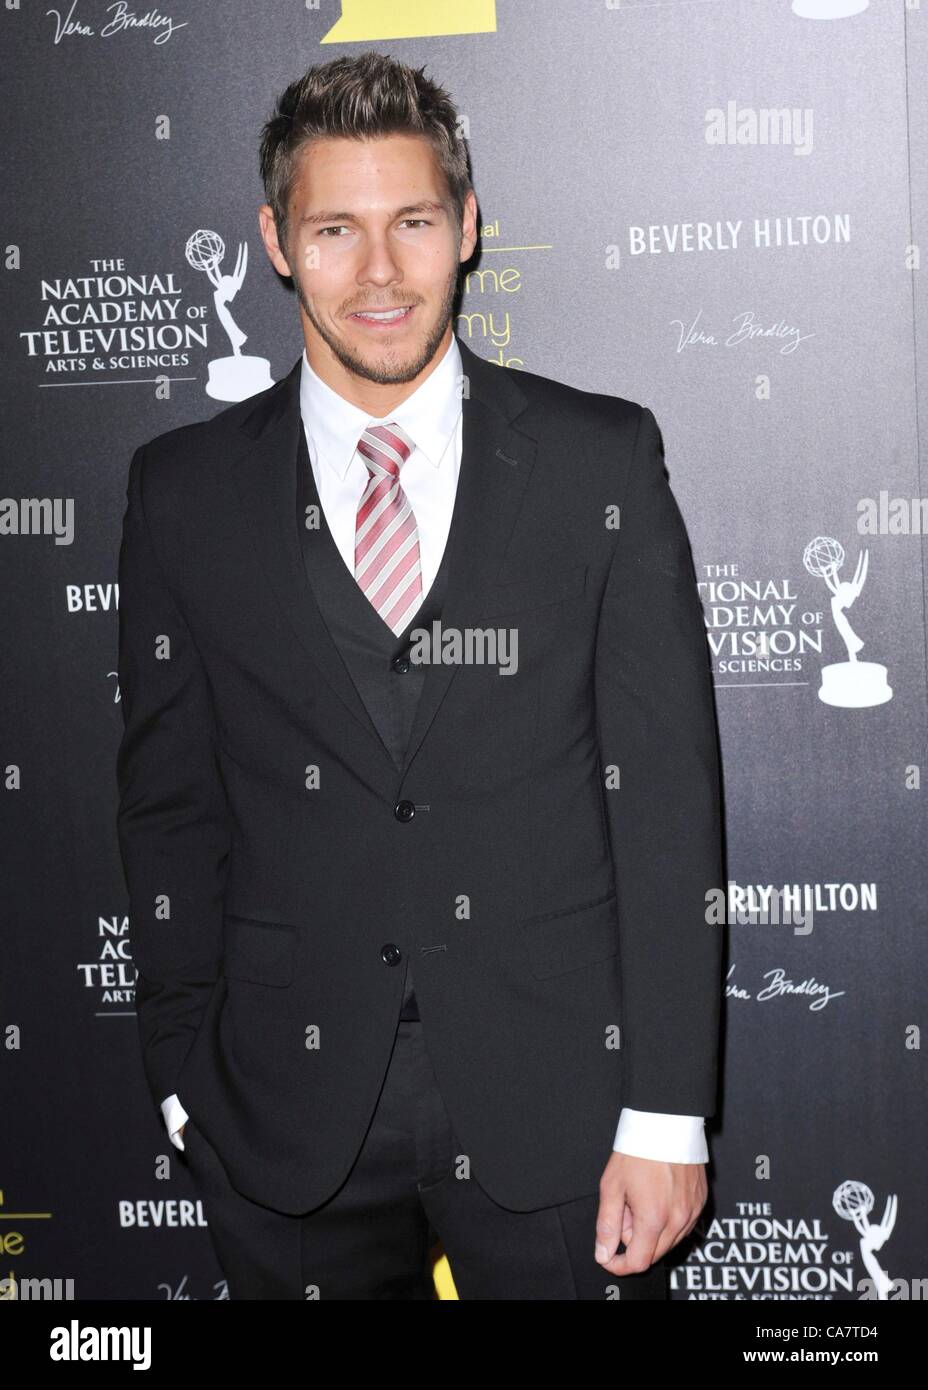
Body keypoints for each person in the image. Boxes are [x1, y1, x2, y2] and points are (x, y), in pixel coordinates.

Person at [116, 50, 724, 1300]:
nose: (380, 273)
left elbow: (665, 807)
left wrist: (667, 1114)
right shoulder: (181, 493)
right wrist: (182, 1080)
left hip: (564, 1109)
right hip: (281, 1121)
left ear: (469, 229)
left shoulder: (598, 464)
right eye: (335, 229)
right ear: (276, 241)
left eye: (413, 223)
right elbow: (170, 810)